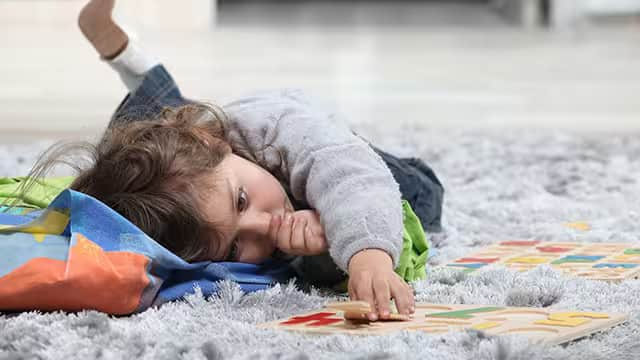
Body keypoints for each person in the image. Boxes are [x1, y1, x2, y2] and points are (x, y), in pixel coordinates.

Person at [25, 0, 444, 321]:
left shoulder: (284, 132)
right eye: (235, 245)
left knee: (422, 195)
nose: (266, 227)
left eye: (242, 201)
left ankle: (140, 72)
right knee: (141, 157)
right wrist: (317, 254)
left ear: (216, 143)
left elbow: (351, 175)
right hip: (204, 134)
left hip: (311, 138)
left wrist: (365, 255)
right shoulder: (200, 161)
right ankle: (126, 55)